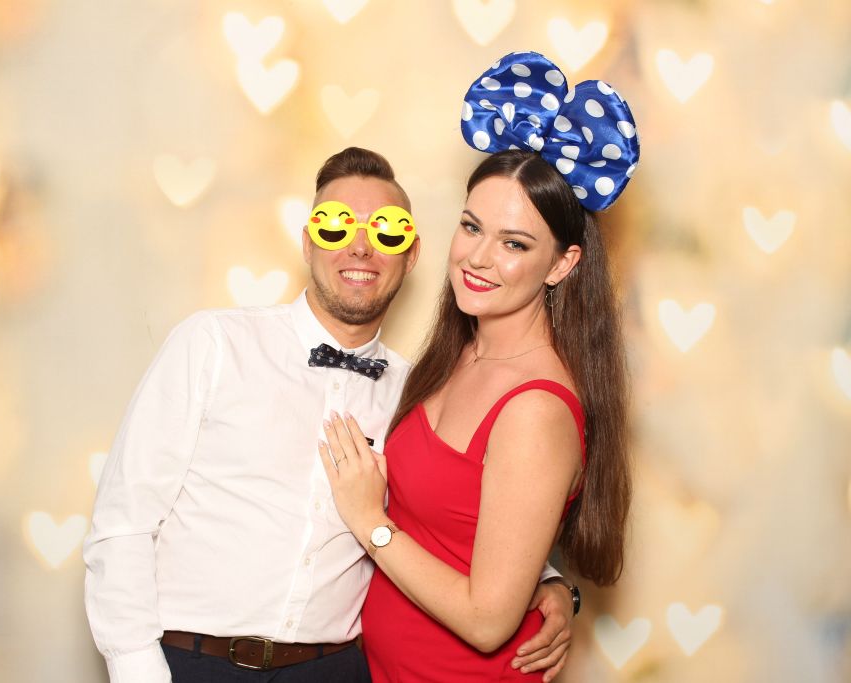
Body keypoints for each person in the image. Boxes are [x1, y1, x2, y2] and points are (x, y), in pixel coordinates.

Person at [83, 146, 576, 683]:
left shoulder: (420, 391)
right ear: (308, 241)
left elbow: (454, 509)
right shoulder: (214, 344)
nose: (360, 247)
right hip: (192, 663)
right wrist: (137, 670)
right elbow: (124, 521)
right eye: (336, 225)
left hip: (337, 669)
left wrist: (545, 581)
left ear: (412, 255)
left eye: (386, 232)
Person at [319, 51, 639, 680]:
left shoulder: (535, 410)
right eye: (471, 227)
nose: (478, 258)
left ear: (562, 264)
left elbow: (489, 620)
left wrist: (370, 523)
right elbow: (469, 529)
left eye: (514, 243)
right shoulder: (457, 352)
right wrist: (551, 582)